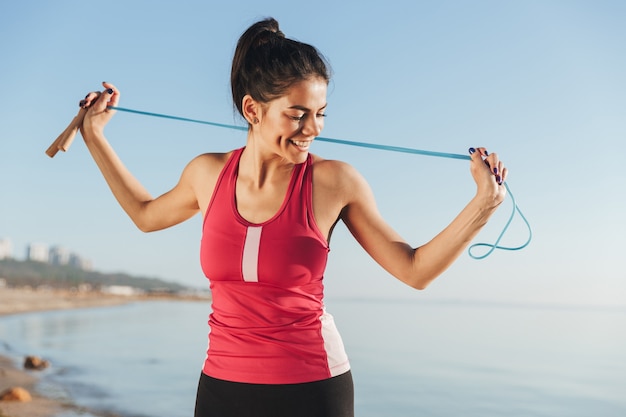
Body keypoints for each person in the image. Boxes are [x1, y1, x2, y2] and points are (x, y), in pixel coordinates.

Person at [78, 17, 507, 417]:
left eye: (320, 114)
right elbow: (145, 215)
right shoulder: (206, 174)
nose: (313, 128)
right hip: (221, 386)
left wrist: (482, 205)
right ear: (253, 110)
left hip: (314, 387)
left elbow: (414, 270)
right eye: (298, 115)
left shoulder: (335, 181)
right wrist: (94, 135)